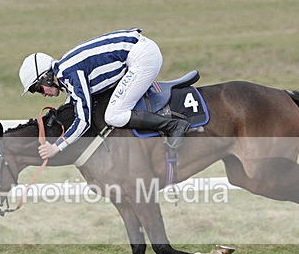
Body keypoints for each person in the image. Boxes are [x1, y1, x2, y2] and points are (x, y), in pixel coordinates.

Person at [19, 28, 190, 160]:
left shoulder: (70, 74)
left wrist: (56, 147)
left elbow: (83, 120)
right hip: (139, 50)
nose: (43, 94)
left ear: (46, 77)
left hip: (142, 57)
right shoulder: (66, 69)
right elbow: (73, 104)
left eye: (38, 89)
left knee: (113, 115)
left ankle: (173, 126)